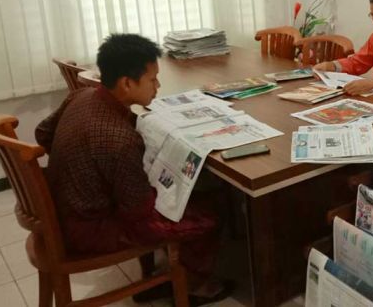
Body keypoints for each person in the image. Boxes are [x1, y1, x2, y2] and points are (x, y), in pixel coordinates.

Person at [35, 34, 231, 305]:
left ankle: (169, 274)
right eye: (152, 79)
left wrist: (82, 167)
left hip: (63, 209)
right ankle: (193, 286)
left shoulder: (82, 95)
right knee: (208, 215)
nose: (158, 85)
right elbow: (139, 214)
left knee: (184, 192)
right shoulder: (118, 139)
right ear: (127, 83)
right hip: (89, 229)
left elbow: (42, 133)